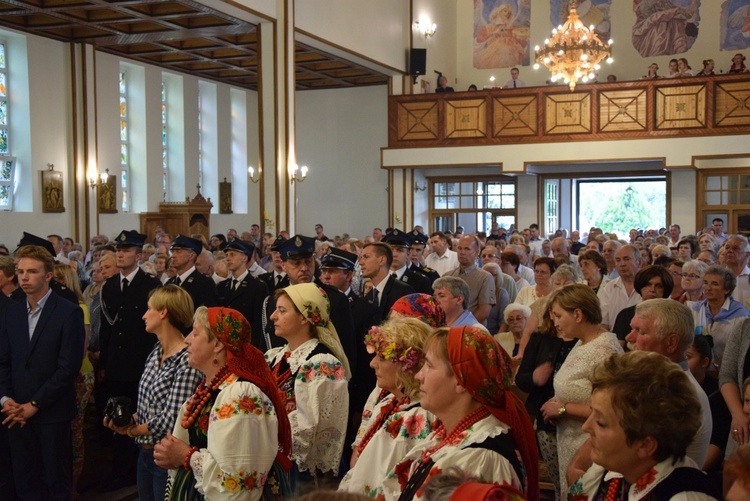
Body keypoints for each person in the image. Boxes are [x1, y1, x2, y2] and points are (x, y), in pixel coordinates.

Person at [378, 326, 539, 500]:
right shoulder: (447, 436)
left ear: (461, 381)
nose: (419, 376)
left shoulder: (481, 458)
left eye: (429, 366)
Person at [153, 306, 292, 500]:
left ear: (218, 344)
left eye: (195, 333)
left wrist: (186, 456)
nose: (187, 339)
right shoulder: (210, 389)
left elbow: (238, 483)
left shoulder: (241, 395)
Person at [569, 351, 720, 500]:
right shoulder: (612, 471)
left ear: (646, 445)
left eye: (601, 423)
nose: (586, 427)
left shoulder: (684, 496)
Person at [0, 244, 85, 499]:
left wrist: (34, 404)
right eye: (20, 271)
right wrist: (6, 400)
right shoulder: (11, 312)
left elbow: (68, 367)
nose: (24, 277)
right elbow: (3, 361)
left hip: (51, 412)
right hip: (14, 411)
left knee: (55, 481)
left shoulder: (67, 312)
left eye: (32, 272)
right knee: (25, 480)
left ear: (48, 275)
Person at [104, 285, 202, 501]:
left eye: (149, 309)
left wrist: (131, 431)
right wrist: (127, 420)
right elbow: (149, 408)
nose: (144, 315)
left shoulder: (185, 360)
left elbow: (172, 420)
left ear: (163, 312)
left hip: (167, 457)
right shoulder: (156, 351)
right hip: (146, 453)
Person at [538, 283, 623, 495]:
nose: (555, 322)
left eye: (558, 316)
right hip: (570, 439)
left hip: (589, 445)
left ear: (577, 314)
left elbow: (613, 411)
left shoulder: (603, 351)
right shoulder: (582, 342)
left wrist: (562, 409)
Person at [265, 283, 350, 490]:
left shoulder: (322, 364)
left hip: (299, 473)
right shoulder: (274, 357)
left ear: (305, 317)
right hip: (271, 462)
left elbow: (308, 430)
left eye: (282, 311)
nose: (273, 316)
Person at [339, 318, 437, 495]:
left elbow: (387, 483)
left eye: (382, 357)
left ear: (408, 365)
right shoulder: (389, 402)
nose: (372, 363)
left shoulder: (414, 418)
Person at [99, 229, 162, 489]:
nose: (121, 254)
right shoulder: (110, 286)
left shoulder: (150, 285)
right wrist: (103, 363)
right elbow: (107, 328)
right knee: (118, 418)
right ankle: (120, 471)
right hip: (116, 365)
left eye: (126, 251)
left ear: (138, 255)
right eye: (118, 251)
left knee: (140, 417)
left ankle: (141, 470)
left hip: (141, 364)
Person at [623, 299, 713, 468]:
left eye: (640, 331)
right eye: (631, 328)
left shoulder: (682, 393)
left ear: (671, 343)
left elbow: (641, 457)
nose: (629, 337)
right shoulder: (653, 380)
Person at [515, 298, 578, 500]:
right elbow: (521, 380)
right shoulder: (540, 338)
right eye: (553, 313)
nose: (555, 318)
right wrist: (534, 377)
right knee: (560, 481)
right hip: (546, 420)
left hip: (577, 423)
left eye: (560, 313)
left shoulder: (583, 341)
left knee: (578, 483)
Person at [685, 336, 731, 484]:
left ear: (704, 362)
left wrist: (693, 474)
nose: (682, 363)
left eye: (688, 357)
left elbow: (717, 442)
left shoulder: (717, 395)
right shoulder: (675, 387)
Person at [691, 265, 749, 369]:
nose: (708, 288)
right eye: (705, 283)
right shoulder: (695, 310)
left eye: (714, 284)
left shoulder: (740, 316)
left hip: (728, 370)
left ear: (726, 289)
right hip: (699, 370)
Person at [215, 239, 269, 349]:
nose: (228, 259)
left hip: (246, 345)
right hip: (225, 344)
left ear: (244, 258)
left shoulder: (257, 286)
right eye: (227, 255)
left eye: (232, 255)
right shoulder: (222, 286)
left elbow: (259, 324)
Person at [612, 265, 673, 346]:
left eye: (659, 286)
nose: (652, 290)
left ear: (665, 290)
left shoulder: (671, 317)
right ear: (640, 286)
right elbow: (618, 349)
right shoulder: (625, 315)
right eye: (648, 284)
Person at [444, 236, 496, 324]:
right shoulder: (447, 276)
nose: (462, 252)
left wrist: (460, 326)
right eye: (459, 248)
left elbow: (484, 311)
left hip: (472, 330)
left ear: (476, 253)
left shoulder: (485, 277)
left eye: (467, 249)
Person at [360, 242, 414, 319]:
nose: (361, 262)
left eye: (366, 257)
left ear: (382, 260)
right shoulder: (368, 296)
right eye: (361, 258)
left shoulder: (403, 292)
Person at [598, 245, 642, 329]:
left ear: (639, 262)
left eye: (627, 259)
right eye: (618, 260)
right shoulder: (608, 288)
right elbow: (603, 324)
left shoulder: (649, 286)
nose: (622, 264)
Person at [167, 235, 217, 309]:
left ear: (191, 256)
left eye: (178, 251)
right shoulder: (170, 282)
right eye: (173, 251)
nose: (173, 256)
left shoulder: (204, 283)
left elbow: (204, 315)